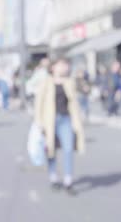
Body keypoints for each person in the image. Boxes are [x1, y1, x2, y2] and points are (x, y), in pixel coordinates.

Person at [34, 58, 85, 195]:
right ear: (53, 67)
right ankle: (53, 177)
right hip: (49, 120)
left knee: (68, 148)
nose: (64, 68)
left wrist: (78, 120)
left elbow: (76, 100)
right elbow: (39, 103)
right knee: (50, 149)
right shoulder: (46, 82)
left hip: (66, 119)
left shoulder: (70, 82)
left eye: (66, 65)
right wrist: (39, 121)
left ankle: (68, 180)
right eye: (61, 65)